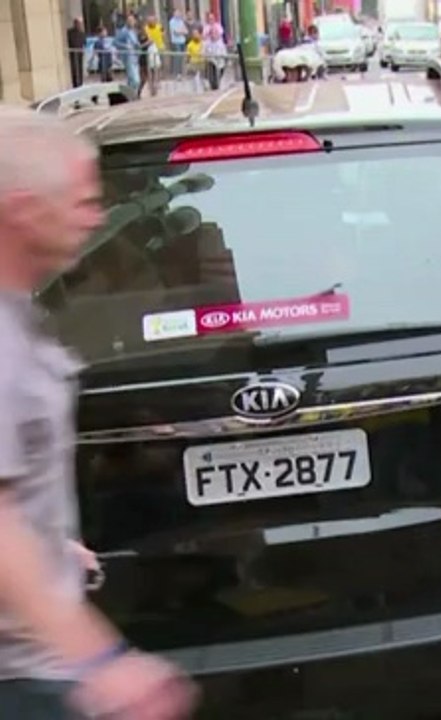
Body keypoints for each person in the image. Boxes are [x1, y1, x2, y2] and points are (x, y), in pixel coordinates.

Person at [0, 110, 199, 717]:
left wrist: (57, 548)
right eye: (83, 201)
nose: (96, 217)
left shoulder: (20, 313)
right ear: (24, 209)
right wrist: (99, 661)